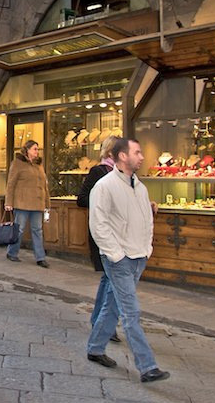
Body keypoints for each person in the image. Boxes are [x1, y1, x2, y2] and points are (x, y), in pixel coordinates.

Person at [87, 138, 170, 383]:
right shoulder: (104, 186)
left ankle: (95, 347)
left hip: (137, 257)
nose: (142, 157)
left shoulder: (140, 187)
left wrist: (147, 249)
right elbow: (98, 224)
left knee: (113, 304)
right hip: (119, 259)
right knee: (130, 312)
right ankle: (147, 366)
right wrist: (115, 254)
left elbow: (146, 220)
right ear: (122, 156)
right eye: (137, 152)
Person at [77, 136, 121, 343]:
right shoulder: (98, 172)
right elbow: (82, 199)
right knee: (112, 278)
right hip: (103, 232)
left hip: (119, 233)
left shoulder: (122, 174)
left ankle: (102, 323)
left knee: (110, 278)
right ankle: (102, 324)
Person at [4, 140, 51, 268]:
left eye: (37, 149)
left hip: (37, 203)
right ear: (28, 150)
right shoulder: (18, 164)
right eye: (35, 149)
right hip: (22, 203)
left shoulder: (39, 165)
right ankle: (12, 252)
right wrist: (8, 202)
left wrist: (47, 202)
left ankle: (40, 258)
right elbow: (11, 184)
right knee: (19, 229)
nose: (37, 151)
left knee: (38, 230)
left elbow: (44, 185)